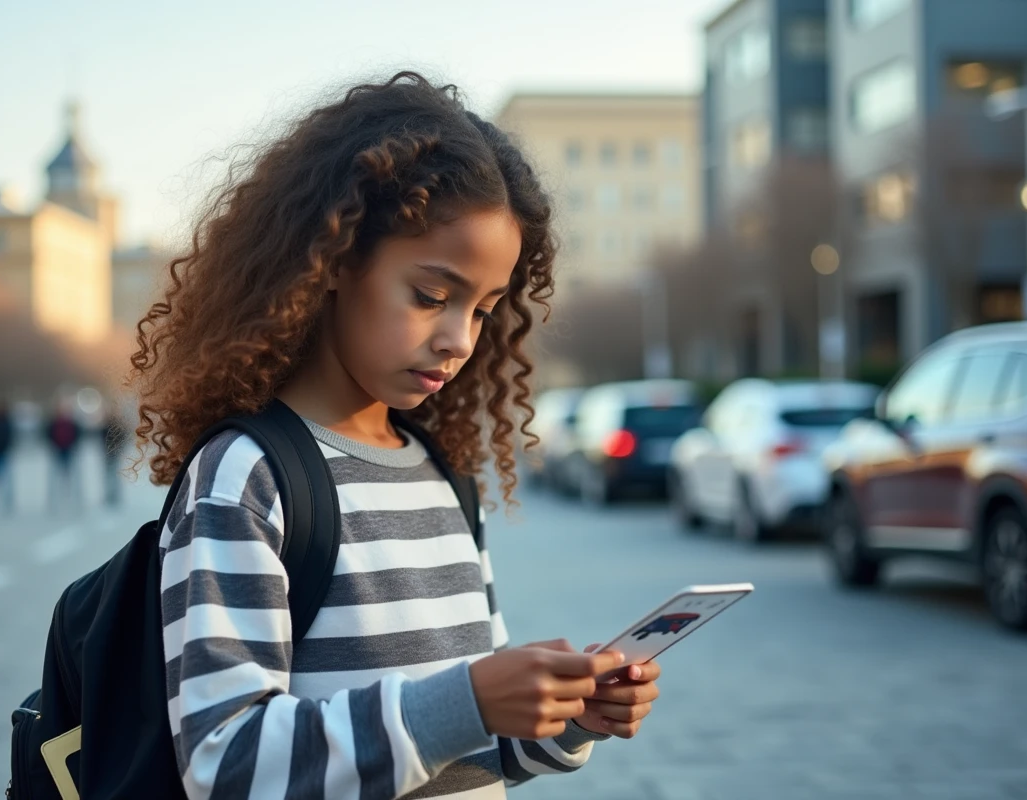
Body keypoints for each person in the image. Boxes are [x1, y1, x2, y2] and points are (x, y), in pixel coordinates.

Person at [128, 72, 661, 800]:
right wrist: (466, 700)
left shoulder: (444, 475)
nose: (458, 340)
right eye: (432, 296)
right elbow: (226, 765)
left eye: (483, 310)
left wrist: (567, 720)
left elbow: (470, 751)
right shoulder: (248, 477)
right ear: (337, 259)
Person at [45, 399, 81, 513]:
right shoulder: (53, 423)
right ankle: (53, 504)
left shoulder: (72, 423)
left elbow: (77, 435)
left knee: (73, 478)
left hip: (69, 451)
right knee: (55, 478)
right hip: (58, 452)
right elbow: (48, 435)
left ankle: (76, 502)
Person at [99, 409, 127, 507]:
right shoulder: (106, 426)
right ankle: (110, 495)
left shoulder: (116, 427)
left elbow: (122, 438)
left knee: (113, 475)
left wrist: (118, 449)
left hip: (113, 454)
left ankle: (114, 495)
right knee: (110, 475)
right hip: (108, 454)